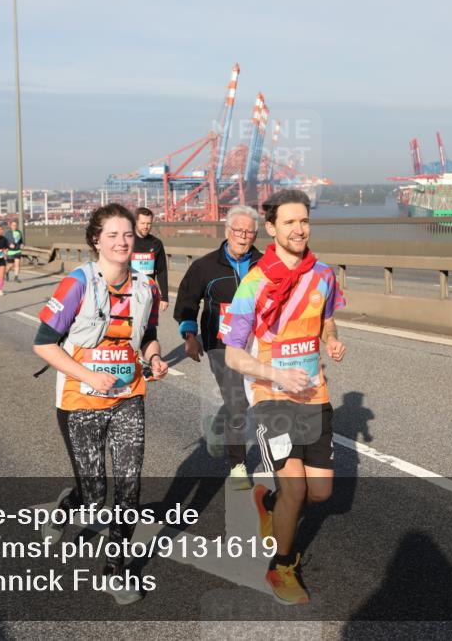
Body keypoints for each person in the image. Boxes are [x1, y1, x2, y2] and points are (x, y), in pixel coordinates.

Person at [32, 203, 167, 605]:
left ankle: (115, 570)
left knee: (129, 487)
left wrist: (155, 358)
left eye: (127, 235)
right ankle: (64, 508)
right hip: (81, 399)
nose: (122, 242)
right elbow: (43, 344)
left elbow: (149, 336)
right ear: (96, 240)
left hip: (128, 397)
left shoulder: (147, 287)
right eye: (112, 235)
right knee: (93, 496)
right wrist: (89, 376)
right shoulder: (76, 283)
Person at [223, 190, 346, 606]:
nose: (299, 229)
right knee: (296, 488)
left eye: (304, 221)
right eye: (289, 222)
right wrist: (276, 374)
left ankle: (270, 503)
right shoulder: (253, 285)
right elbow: (235, 354)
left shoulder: (324, 274)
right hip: (270, 394)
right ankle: (282, 566)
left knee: (321, 494)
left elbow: (328, 316)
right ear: (271, 229)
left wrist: (332, 340)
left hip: (314, 392)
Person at [174, 205, 263, 490]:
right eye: (238, 230)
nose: (244, 236)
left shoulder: (265, 264)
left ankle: (217, 424)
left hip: (256, 346)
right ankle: (238, 465)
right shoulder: (205, 266)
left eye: (249, 232)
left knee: (250, 400)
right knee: (238, 402)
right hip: (220, 346)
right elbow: (187, 302)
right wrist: (190, 335)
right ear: (227, 232)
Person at [131, 207, 169, 311]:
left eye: (149, 223)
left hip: (149, 293)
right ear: (136, 222)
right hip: (129, 293)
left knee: (149, 327)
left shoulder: (156, 244)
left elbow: (161, 271)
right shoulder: (127, 241)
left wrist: (164, 297)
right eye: (142, 223)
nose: (146, 227)